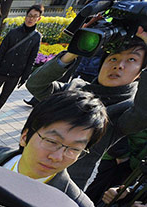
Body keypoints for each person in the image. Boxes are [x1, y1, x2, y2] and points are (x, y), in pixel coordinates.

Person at [26, 29, 147, 190]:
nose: (119, 65)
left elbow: (141, 115)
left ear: (140, 73)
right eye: (113, 58)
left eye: (132, 59)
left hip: (60, 189)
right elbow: (36, 85)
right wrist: (73, 51)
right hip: (27, 167)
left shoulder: (124, 110)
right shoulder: (76, 88)